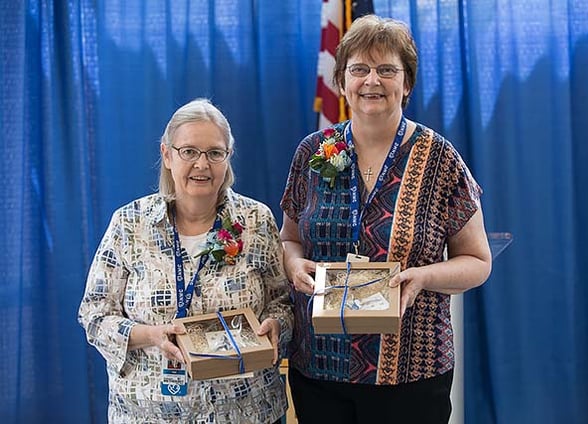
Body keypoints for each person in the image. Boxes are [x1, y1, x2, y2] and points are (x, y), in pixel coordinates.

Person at [280, 14, 492, 424]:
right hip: (320, 368)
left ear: (406, 83)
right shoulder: (312, 152)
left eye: (386, 70)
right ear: (341, 82)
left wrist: (424, 277)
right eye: (359, 69)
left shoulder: (441, 159)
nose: (371, 81)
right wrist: (293, 263)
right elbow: (289, 239)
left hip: (411, 374)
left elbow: (478, 262)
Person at [78, 98, 293, 423]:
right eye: (189, 151)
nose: (202, 165)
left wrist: (278, 326)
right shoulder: (129, 224)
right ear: (167, 154)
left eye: (214, 153)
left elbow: (283, 303)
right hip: (148, 413)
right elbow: (94, 315)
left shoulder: (256, 220)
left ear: (228, 158)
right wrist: (151, 335)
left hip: (245, 411)